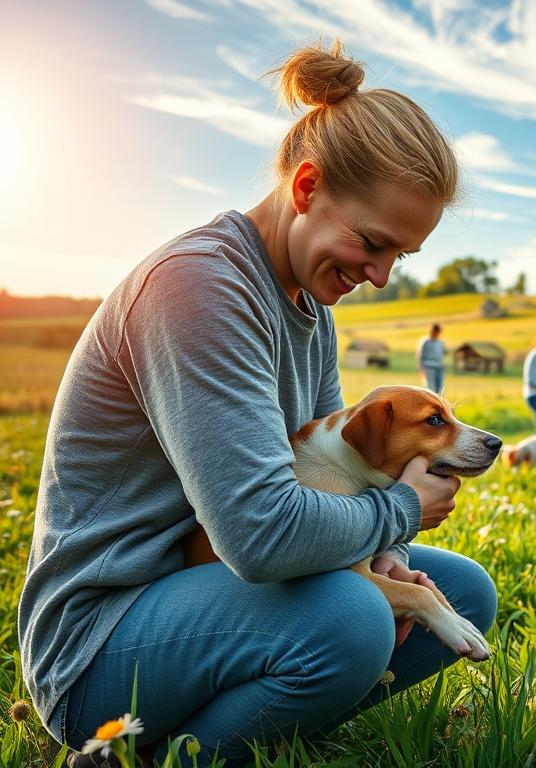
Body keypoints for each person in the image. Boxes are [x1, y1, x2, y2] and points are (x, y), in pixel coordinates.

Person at [18, 41, 497, 768]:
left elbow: (344, 477)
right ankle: (148, 756)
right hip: (102, 640)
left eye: (397, 257)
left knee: (464, 595)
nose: (376, 274)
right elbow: (261, 536)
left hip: (211, 595)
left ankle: (230, 729)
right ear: (306, 187)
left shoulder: (310, 309)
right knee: (352, 620)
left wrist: (387, 554)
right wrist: (401, 512)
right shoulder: (199, 289)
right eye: (371, 243)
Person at [416, 323, 446, 394]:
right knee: (430, 389)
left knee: (440, 389)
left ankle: (439, 404)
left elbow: (441, 354)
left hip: (439, 367)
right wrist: (421, 369)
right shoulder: (425, 341)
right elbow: (420, 355)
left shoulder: (440, 342)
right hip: (429, 367)